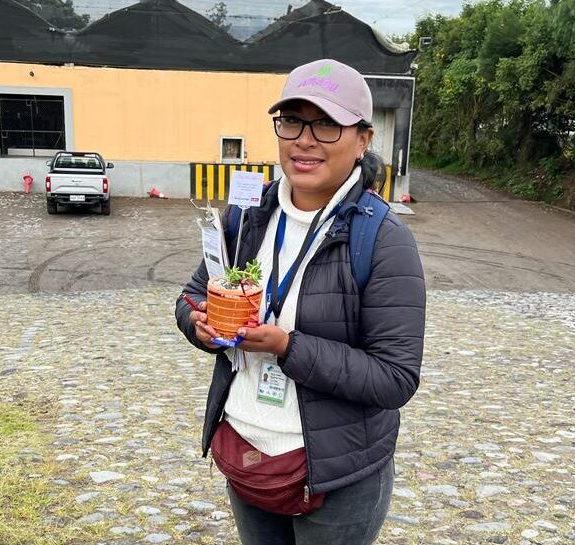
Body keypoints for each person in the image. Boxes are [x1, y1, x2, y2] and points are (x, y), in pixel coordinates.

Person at [175, 58, 426, 545]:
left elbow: (395, 377)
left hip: (335, 474)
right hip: (246, 453)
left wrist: (288, 347)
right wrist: (199, 324)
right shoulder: (247, 214)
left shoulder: (383, 238)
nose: (304, 140)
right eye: (292, 120)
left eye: (326, 124)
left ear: (363, 139)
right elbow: (192, 294)